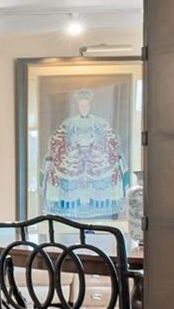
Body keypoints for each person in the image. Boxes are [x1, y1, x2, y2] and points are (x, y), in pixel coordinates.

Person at [41, 88, 124, 219]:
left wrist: (95, 146)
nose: (84, 108)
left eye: (86, 105)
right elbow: (57, 139)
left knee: (109, 165)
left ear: (90, 106)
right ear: (78, 106)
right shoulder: (69, 123)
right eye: (81, 105)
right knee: (57, 166)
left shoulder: (100, 122)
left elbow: (111, 139)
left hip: (96, 158)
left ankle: (103, 211)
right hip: (73, 158)